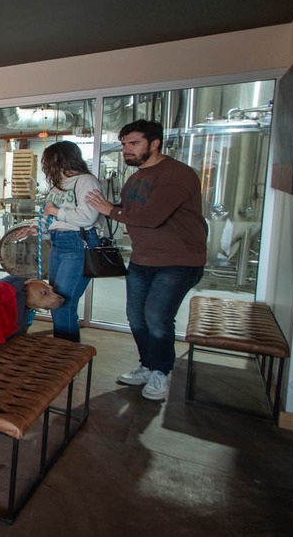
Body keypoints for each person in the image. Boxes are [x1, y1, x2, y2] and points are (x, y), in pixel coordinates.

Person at [86, 119, 207, 401]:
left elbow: (151, 217)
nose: (127, 149)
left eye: (134, 143)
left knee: (157, 318)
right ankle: (148, 364)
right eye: (125, 144)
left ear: (155, 144)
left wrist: (110, 210)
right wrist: (117, 212)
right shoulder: (135, 178)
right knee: (136, 318)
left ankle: (161, 372)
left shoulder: (176, 175)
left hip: (178, 260)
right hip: (143, 259)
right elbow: (131, 212)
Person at [39, 140, 102, 343]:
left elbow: (88, 217)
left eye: (49, 160)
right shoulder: (58, 186)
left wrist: (56, 212)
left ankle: (65, 358)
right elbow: (49, 216)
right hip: (59, 243)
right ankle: (62, 353)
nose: (47, 166)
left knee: (63, 304)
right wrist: (39, 227)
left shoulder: (86, 181)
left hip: (78, 244)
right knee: (55, 301)